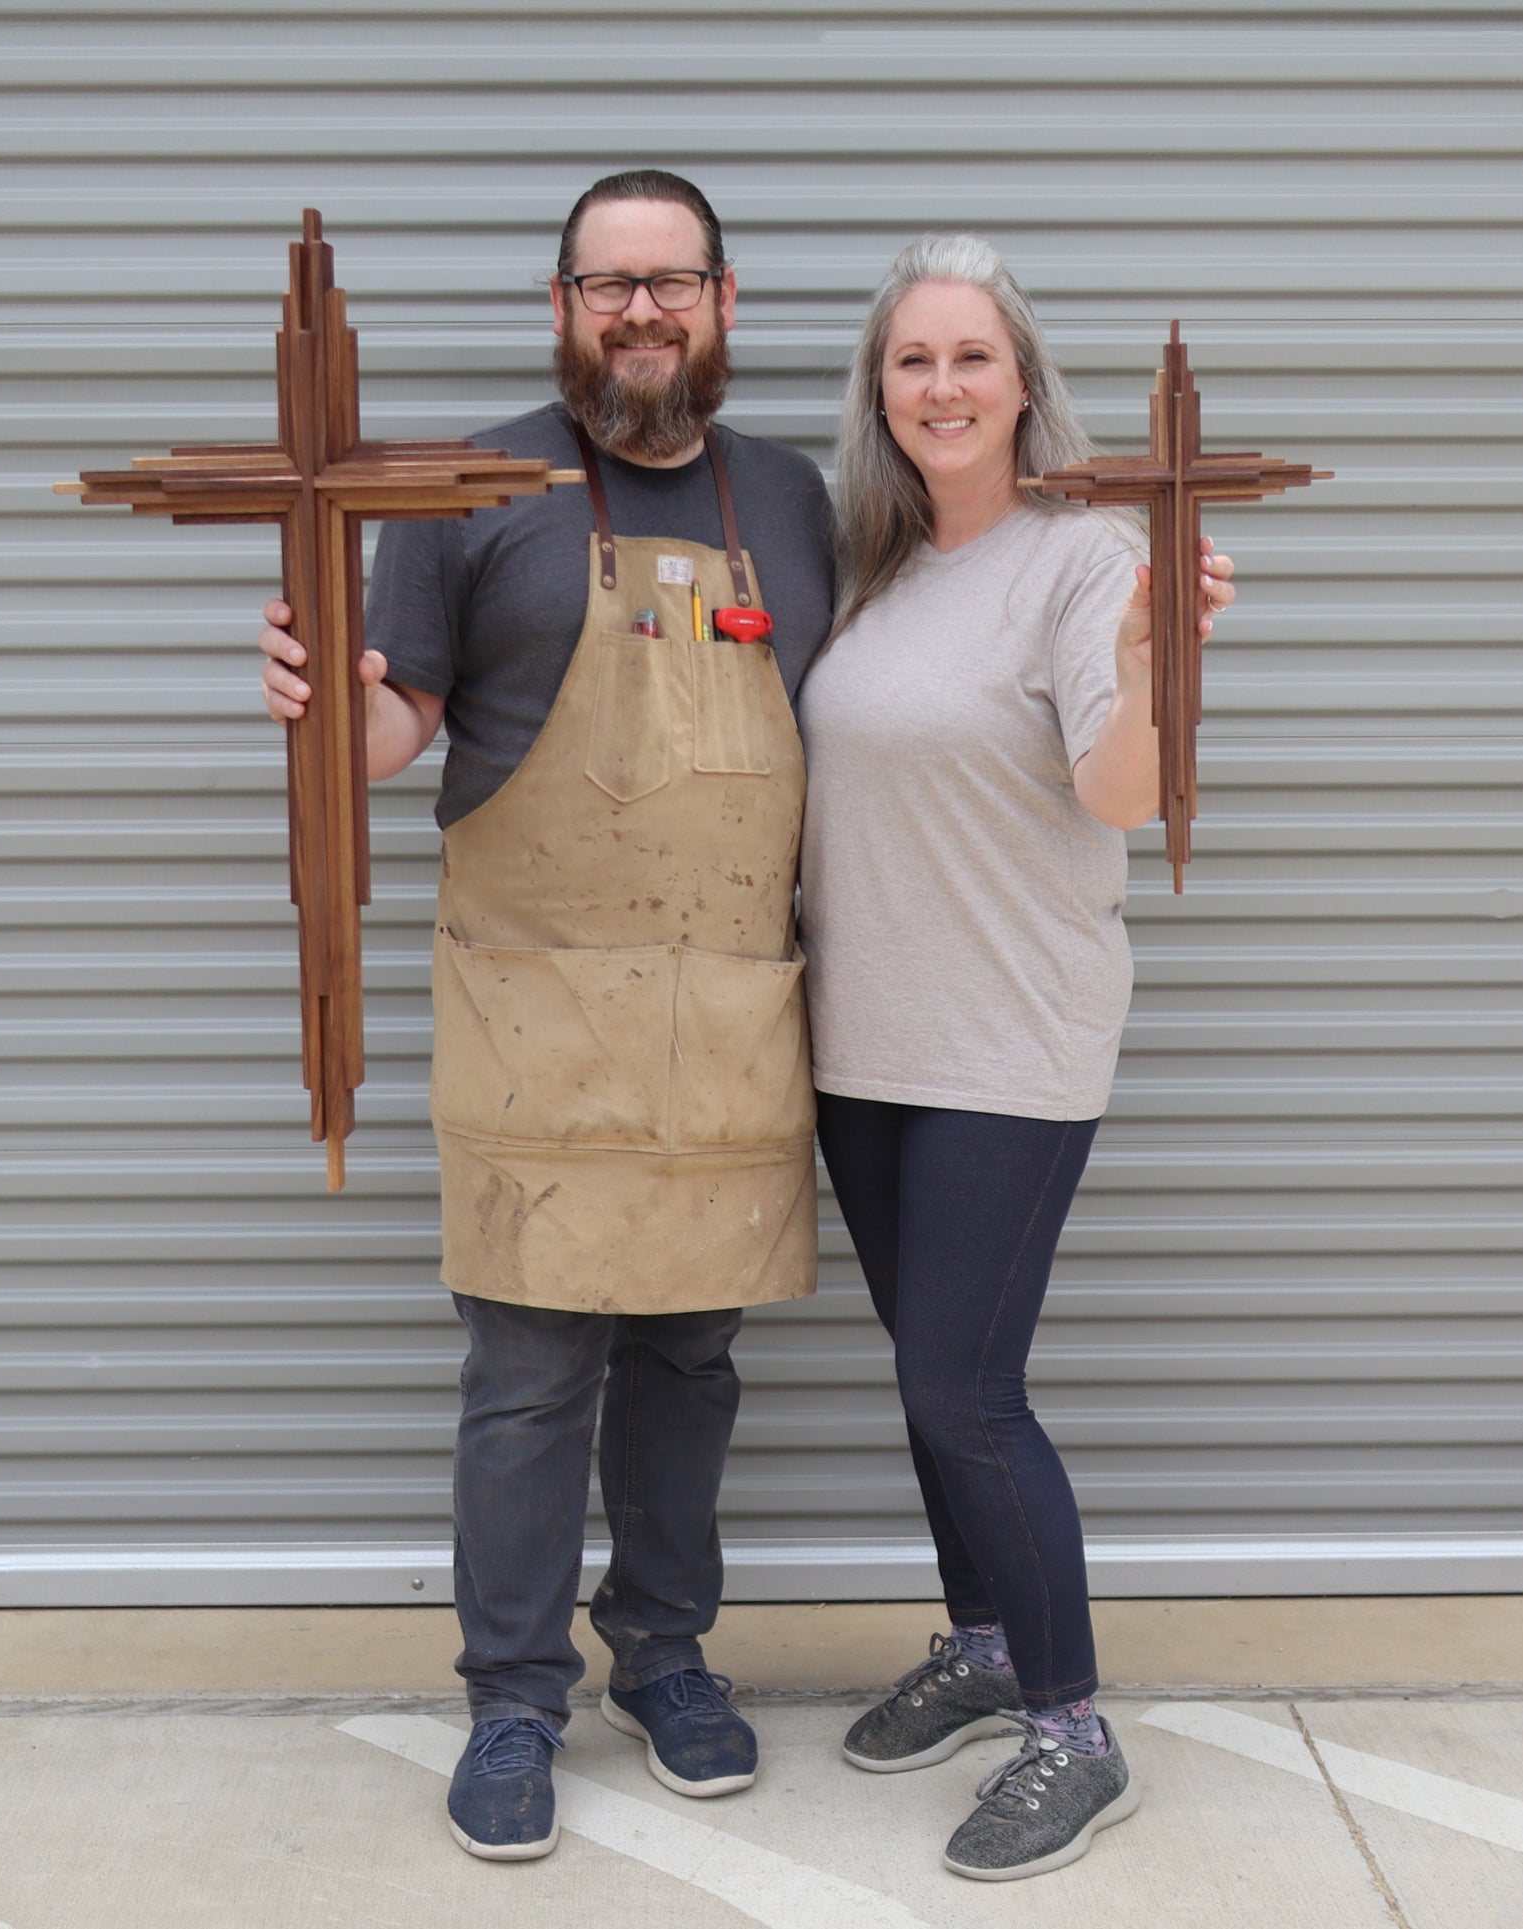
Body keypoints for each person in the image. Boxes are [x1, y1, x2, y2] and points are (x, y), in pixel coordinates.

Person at [260, 170, 834, 1862]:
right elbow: (384, 744)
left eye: (670, 282)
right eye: (606, 284)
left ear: (724, 303)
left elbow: (878, 714)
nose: (639, 312)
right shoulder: (465, 496)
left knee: (692, 1360)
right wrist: (312, 699)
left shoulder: (798, 502)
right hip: (536, 1020)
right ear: (560, 304)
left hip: (727, 1015)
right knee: (523, 1380)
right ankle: (512, 1694)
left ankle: (665, 1656)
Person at [795, 233, 1237, 1882]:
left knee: (960, 1388)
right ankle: (982, 1640)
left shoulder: (1087, 555)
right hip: (866, 1040)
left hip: (1008, 1035)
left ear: (1022, 380)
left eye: (971, 357)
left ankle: (1071, 1724)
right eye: (912, 361)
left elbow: (1119, 793)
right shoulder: (875, 561)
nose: (942, 387)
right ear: (880, 392)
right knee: (928, 1380)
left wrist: (1143, 669)